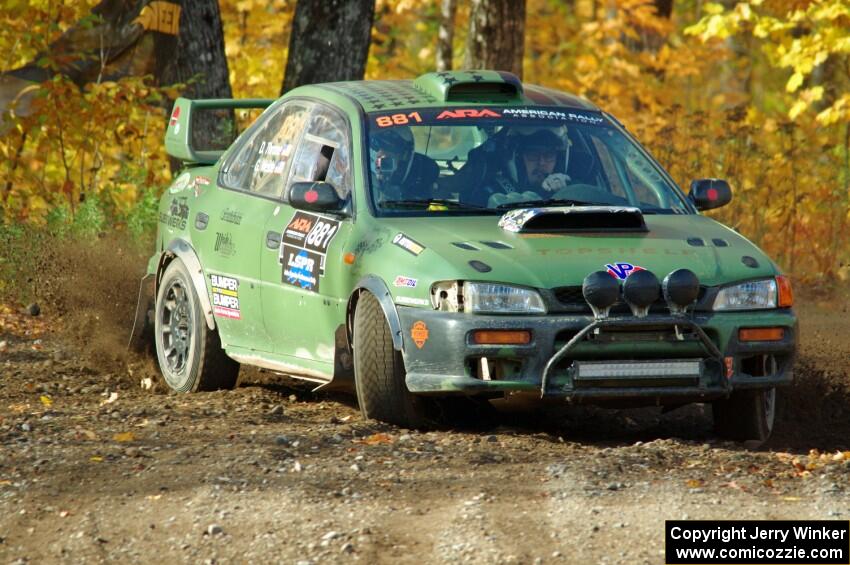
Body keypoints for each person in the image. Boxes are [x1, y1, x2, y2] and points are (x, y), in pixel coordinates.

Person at [369, 126, 438, 204]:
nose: (379, 154)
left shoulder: (422, 172)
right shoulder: (367, 179)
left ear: (405, 158)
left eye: (388, 148)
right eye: (377, 147)